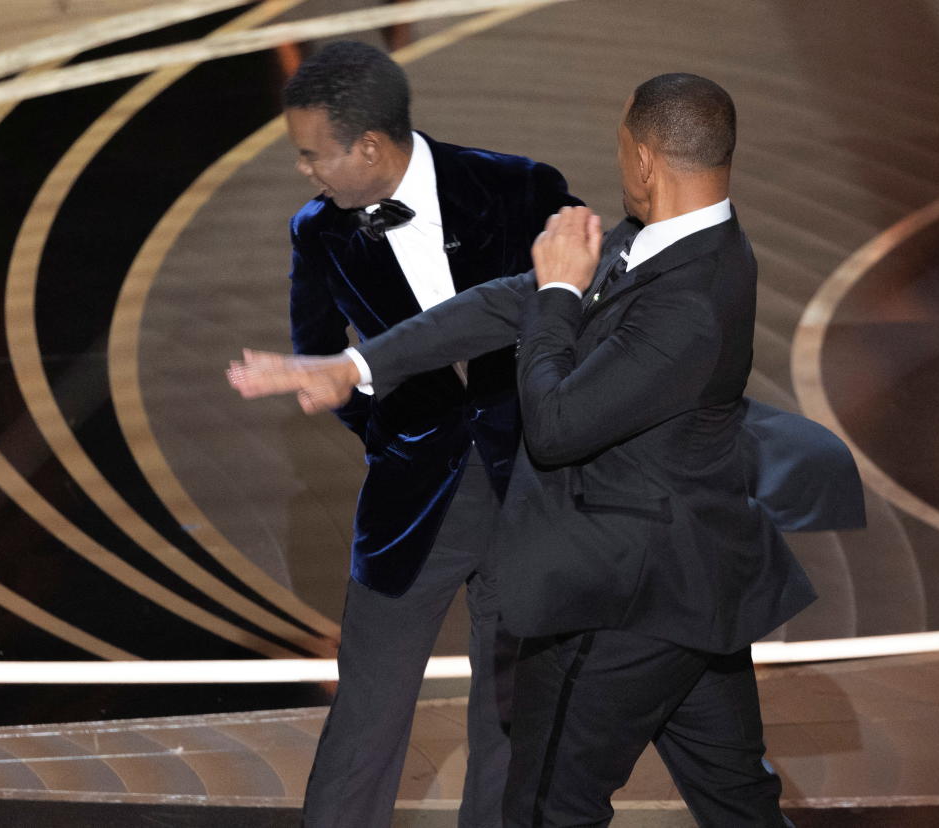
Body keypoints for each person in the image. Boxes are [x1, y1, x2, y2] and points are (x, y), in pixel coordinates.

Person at [233, 73, 864, 827]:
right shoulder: (659, 242)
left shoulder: (694, 301)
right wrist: (355, 365)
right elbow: (503, 301)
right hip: (696, 594)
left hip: (627, 599)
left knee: (545, 807)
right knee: (739, 800)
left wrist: (560, 294)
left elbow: (558, 425)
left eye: (621, 143)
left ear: (646, 160)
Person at [277, 41, 580, 828]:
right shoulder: (317, 232)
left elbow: (576, 323)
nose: (305, 171)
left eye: (313, 156)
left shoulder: (521, 187)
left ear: (369, 147)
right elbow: (321, 356)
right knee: (367, 714)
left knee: (512, 712)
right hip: (412, 500)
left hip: (532, 489)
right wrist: (393, 433)